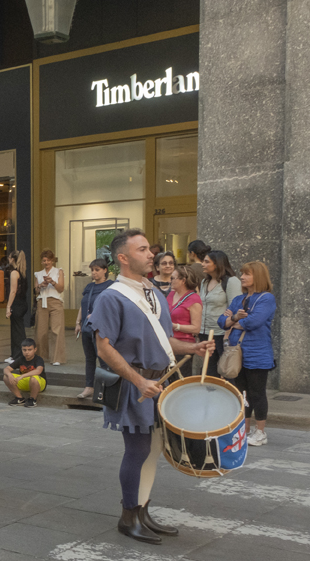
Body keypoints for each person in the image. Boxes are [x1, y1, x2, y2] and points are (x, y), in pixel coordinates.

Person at [91, 229, 212, 545]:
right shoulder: (111, 296)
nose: (151, 255)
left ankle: (142, 511)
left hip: (159, 381)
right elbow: (104, 347)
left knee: (153, 451)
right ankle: (128, 515)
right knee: (138, 450)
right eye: (142, 249)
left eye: (149, 249)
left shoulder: (156, 294)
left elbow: (166, 340)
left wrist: (193, 349)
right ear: (123, 257)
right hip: (135, 383)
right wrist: (138, 380)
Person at [219, 261, 276, 447]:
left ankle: (260, 432)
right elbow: (221, 321)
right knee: (242, 394)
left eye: (247, 274)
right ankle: (245, 430)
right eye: (242, 274)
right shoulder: (239, 299)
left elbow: (254, 321)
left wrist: (233, 321)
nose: (242, 277)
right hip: (237, 354)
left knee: (257, 393)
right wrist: (235, 317)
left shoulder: (266, 298)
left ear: (257, 276)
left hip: (257, 353)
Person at [199, 249, 242, 378]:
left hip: (222, 333)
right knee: (209, 371)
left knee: (226, 370)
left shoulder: (231, 281)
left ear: (217, 264)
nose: (202, 264)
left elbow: (235, 307)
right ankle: (211, 397)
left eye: (207, 262)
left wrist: (228, 330)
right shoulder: (204, 282)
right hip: (204, 332)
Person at [75, 259, 114, 398]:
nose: (94, 273)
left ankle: (107, 388)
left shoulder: (111, 286)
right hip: (87, 327)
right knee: (89, 358)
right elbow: (83, 305)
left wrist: (98, 315)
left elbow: (112, 307)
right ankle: (89, 387)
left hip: (101, 328)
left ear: (105, 270)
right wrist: (78, 322)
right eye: (92, 270)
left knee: (104, 358)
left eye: (97, 270)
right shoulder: (89, 287)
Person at [34, 249, 66, 366]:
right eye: (44, 260)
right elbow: (36, 290)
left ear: (52, 261)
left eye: (48, 260)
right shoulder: (38, 274)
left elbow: (61, 288)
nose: (46, 262)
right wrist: (41, 285)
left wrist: (52, 282)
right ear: (41, 262)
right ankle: (41, 356)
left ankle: (57, 357)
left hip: (55, 301)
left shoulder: (59, 272)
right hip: (42, 301)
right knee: (40, 331)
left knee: (56, 329)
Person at [167, 264, 203, 350]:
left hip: (184, 344)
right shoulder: (171, 294)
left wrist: (176, 326)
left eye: (172, 278)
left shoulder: (194, 299)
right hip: (168, 342)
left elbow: (196, 328)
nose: (170, 281)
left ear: (183, 281)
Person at [3, 338, 47, 407]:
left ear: (35, 349)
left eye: (30, 350)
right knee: (6, 377)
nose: (27, 352)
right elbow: (6, 369)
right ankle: (19, 398)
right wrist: (9, 374)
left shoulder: (38, 359)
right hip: (25, 381)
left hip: (39, 383)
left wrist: (22, 376)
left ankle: (32, 399)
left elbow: (38, 371)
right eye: (24, 350)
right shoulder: (21, 359)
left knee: (33, 378)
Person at [4, 249, 28, 364]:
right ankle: (14, 354)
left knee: (18, 331)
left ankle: (19, 355)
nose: (8, 260)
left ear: (12, 259)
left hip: (17, 304)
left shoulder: (14, 273)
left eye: (9, 258)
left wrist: (8, 306)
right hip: (22, 303)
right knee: (16, 330)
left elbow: (13, 291)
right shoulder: (22, 272)